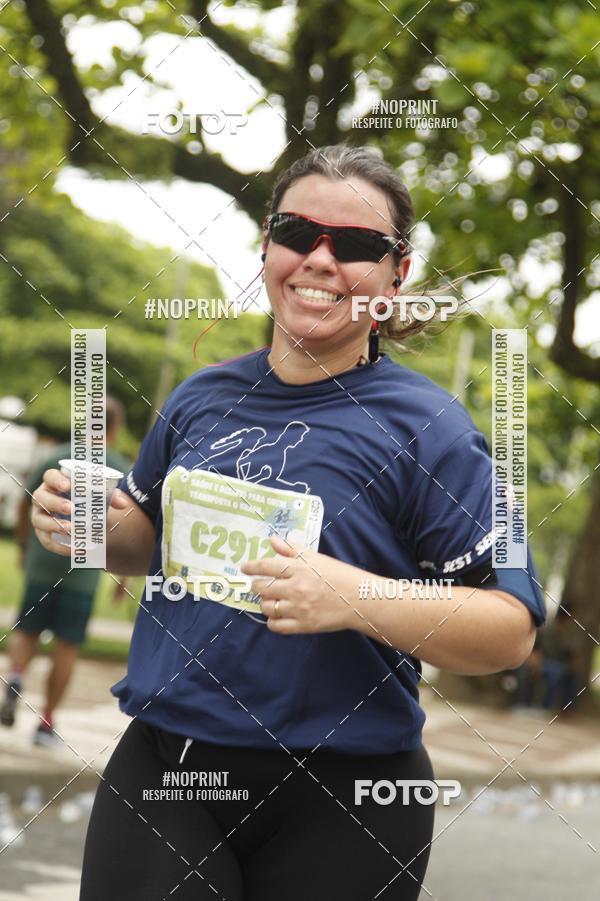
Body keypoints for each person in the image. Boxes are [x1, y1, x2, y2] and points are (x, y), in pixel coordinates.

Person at [31, 143, 546, 901]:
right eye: (299, 232)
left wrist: (354, 596)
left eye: (359, 246)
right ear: (268, 245)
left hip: (349, 796)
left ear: (395, 273)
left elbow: (510, 628)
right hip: (168, 768)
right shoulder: (202, 395)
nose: (322, 260)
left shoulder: (436, 429)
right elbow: (148, 539)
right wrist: (92, 525)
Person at [0, 397, 130, 747]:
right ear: (114, 429)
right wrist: (124, 578)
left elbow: (27, 506)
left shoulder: (56, 456)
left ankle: (15, 675)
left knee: (26, 630)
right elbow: (127, 527)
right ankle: (46, 722)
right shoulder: (119, 468)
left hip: (43, 564)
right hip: (84, 575)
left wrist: (26, 551)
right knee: (67, 645)